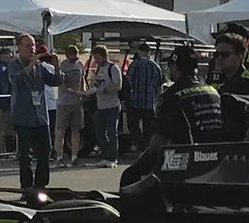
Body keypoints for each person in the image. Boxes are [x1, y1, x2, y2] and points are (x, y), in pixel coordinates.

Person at [142, 40, 227, 172]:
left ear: (175, 67)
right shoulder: (213, 91)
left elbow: (157, 140)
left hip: (187, 162)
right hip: (217, 159)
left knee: (130, 175)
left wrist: (143, 160)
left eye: (170, 65)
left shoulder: (171, 95)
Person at [6, 32, 56, 191]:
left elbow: (56, 81)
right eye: (28, 45)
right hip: (23, 117)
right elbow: (15, 81)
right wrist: (31, 65)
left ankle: (40, 185)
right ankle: (26, 187)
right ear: (19, 48)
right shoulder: (14, 65)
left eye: (33, 45)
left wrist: (56, 66)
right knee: (25, 154)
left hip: (40, 116)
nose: (32, 48)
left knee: (45, 150)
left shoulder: (41, 67)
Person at [124, 43, 164, 149]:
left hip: (135, 102)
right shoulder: (155, 66)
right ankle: (149, 148)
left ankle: (141, 144)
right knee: (148, 129)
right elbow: (159, 86)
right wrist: (159, 101)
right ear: (149, 52)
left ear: (139, 51)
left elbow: (128, 82)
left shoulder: (135, 64)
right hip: (150, 103)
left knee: (132, 125)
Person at [89, 42, 125, 158]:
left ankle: (113, 158)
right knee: (99, 132)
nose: (96, 60)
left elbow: (118, 86)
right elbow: (96, 83)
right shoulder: (99, 68)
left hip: (112, 106)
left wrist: (104, 90)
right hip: (100, 106)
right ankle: (106, 156)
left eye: (97, 57)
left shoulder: (113, 68)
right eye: (94, 58)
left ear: (104, 56)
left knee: (111, 132)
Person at [54, 46, 87, 163]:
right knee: (61, 130)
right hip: (64, 102)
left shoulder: (80, 64)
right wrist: (74, 91)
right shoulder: (63, 66)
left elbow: (82, 79)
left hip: (77, 102)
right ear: (67, 55)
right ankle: (59, 155)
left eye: (76, 55)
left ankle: (74, 156)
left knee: (76, 129)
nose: (74, 59)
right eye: (72, 56)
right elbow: (61, 85)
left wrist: (83, 92)